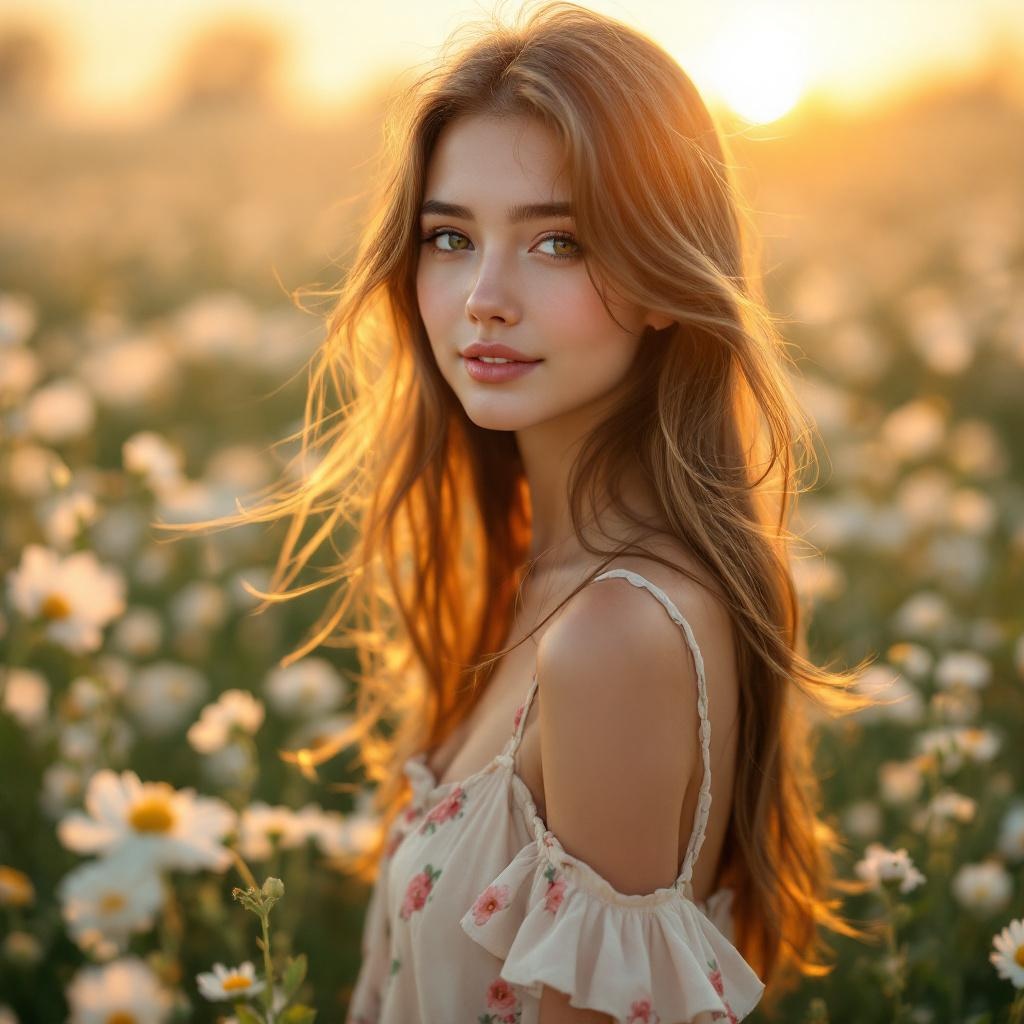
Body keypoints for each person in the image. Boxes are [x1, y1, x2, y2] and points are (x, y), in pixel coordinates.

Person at [184, 1, 876, 1020]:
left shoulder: (615, 634)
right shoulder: (531, 574)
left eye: (558, 243)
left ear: (662, 280)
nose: (483, 297)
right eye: (449, 237)